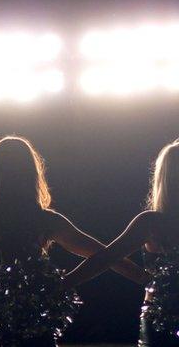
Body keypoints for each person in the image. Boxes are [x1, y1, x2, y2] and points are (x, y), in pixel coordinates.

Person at [0, 136, 149, 346]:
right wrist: (143, 277)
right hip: (33, 319)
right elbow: (103, 254)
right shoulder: (44, 220)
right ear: (33, 173)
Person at [64, 140, 179, 347]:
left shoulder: (150, 223)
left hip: (161, 318)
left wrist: (62, 284)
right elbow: (106, 258)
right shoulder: (150, 223)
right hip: (161, 319)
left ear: (163, 177)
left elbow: (105, 258)